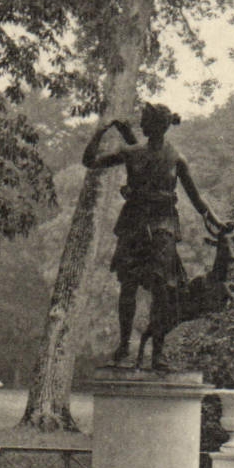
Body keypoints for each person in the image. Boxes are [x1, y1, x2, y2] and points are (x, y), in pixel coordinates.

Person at [81, 102, 211, 371]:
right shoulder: (132, 152)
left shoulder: (176, 157)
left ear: (158, 125)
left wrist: (217, 222)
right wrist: (100, 132)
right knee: (128, 285)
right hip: (134, 223)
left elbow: (196, 199)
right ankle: (124, 348)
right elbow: (90, 161)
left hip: (163, 224)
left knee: (163, 289)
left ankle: (158, 353)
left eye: (146, 121)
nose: (142, 125)